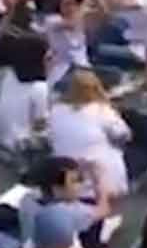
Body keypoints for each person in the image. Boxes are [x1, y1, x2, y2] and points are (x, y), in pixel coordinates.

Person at [48, 68, 132, 198]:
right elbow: (125, 135)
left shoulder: (56, 111)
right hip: (98, 179)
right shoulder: (102, 111)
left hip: (65, 175)